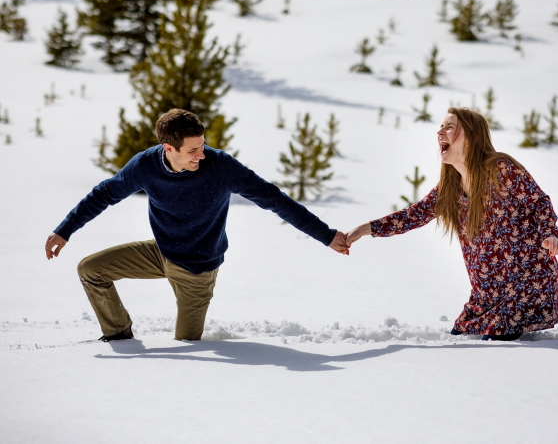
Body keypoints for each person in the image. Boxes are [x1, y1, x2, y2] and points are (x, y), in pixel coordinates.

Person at [45, 109, 348, 342]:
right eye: (192, 150)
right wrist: (65, 229)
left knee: (186, 346)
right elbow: (105, 194)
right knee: (91, 270)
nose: (201, 154)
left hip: (198, 268)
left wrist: (326, 235)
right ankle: (118, 334)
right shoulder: (145, 166)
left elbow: (275, 199)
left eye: (202, 145)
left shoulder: (221, 167)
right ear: (168, 148)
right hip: (161, 252)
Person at [346, 107, 558, 341]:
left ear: (474, 137)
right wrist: (363, 230)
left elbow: (539, 201)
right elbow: (412, 215)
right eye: (441, 126)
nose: (440, 132)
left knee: (491, 349)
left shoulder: (499, 168)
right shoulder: (450, 186)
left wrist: (550, 234)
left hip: (525, 288)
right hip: (485, 297)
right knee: (458, 337)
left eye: (450, 127)